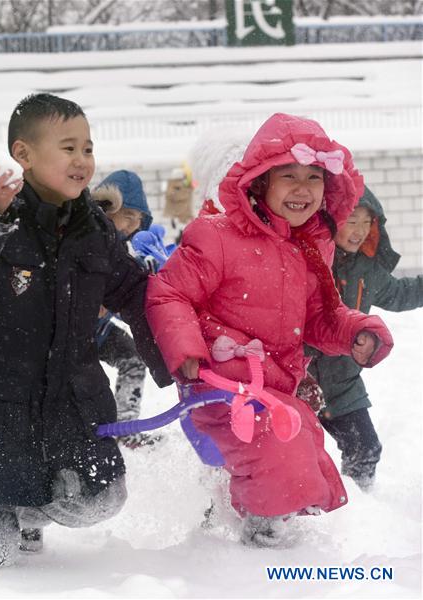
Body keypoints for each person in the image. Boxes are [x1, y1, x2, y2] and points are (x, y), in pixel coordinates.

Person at [0, 93, 172, 599]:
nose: (83, 160)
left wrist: (182, 357)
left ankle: (19, 511)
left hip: (70, 402)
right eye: (68, 147)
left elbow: (135, 294)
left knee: (101, 498)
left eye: (88, 148)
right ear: (24, 154)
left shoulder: (93, 228)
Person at [146, 113, 394, 547]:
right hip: (220, 384)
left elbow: (319, 315)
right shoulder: (217, 235)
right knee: (281, 454)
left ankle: (251, 525)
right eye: (289, 176)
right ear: (260, 182)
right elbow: (169, 292)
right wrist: (186, 350)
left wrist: (355, 332)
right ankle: (262, 542)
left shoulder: (308, 248)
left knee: (301, 443)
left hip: (272, 390)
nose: (303, 189)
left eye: (314, 178)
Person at [308, 186, 423, 490]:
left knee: (366, 449)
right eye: (351, 220)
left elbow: (401, 294)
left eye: (366, 222)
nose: (359, 231)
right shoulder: (310, 260)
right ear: (331, 219)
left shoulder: (366, 269)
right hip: (299, 382)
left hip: (343, 384)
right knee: (297, 461)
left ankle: (361, 505)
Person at [91, 169, 159, 448]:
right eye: (127, 216)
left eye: (138, 219)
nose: (133, 225)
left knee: (133, 358)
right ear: (108, 212)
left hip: (99, 330)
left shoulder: (126, 249)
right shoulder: (90, 239)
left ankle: (125, 425)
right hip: (66, 336)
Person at [160, 166, 194, 245]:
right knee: (178, 230)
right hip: (178, 214)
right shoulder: (175, 184)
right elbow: (174, 195)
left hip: (183, 214)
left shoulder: (184, 183)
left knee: (182, 230)